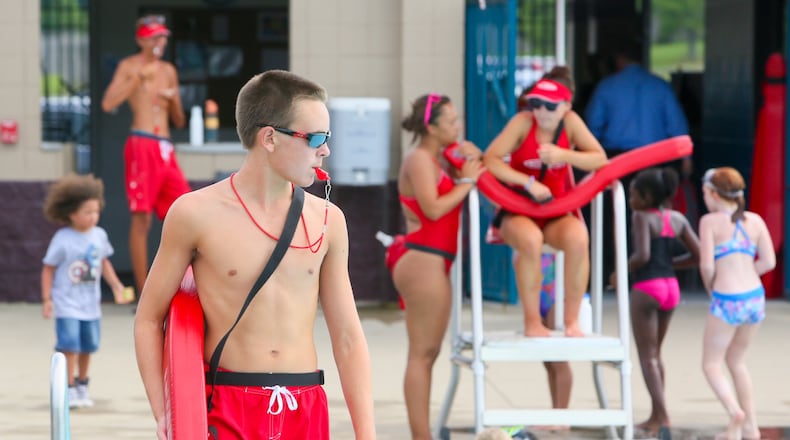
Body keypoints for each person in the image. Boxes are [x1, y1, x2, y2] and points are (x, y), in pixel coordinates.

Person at [133, 70, 375, 439]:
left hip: (305, 406)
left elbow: (347, 336)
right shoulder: (195, 214)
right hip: (227, 406)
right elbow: (149, 320)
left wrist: (366, 433)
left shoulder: (329, 220)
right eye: (316, 138)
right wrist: (166, 413)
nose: (325, 150)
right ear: (270, 138)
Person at [386, 93, 484, 439]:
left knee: (428, 352)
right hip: (422, 259)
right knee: (422, 354)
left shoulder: (438, 160)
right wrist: (467, 183)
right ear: (431, 126)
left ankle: (422, 434)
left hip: (432, 261)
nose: (458, 127)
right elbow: (433, 208)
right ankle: (421, 436)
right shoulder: (419, 160)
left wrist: (465, 162)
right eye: (452, 121)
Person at [483, 66, 608, 338]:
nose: (541, 112)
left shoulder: (571, 123)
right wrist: (527, 182)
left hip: (554, 210)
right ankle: (532, 322)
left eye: (549, 106)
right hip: (517, 210)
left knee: (578, 238)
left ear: (565, 107)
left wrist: (564, 155)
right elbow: (490, 160)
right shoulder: (523, 123)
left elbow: (600, 159)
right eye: (536, 103)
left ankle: (572, 321)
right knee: (530, 241)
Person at [584, 40, 691, 279]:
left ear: (619, 59)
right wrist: (686, 159)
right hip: (656, 161)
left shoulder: (607, 87)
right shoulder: (660, 87)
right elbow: (677, 126)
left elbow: (592, 129)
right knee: (659, 216)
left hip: (618, 161)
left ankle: (617, 268)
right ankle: (656, 270)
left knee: (615, 215)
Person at [101, 14, 191, 293]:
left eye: (163, 36)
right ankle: (143, 291)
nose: (159, 42)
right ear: (141, 39)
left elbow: (178, 120)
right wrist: (138, 78)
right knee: (142, 218)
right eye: (154, 37)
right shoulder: (129, 66)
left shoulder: (168, 70)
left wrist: (172, 99)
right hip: (141, 142)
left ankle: (188, 285)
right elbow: (108, 103)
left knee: (185, 211)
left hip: (165, 145)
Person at [610, 167, 699, 437]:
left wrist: (619, 272)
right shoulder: (678, 218)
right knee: (656, 355)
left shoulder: (641, 217)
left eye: (633, 194)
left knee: (647, 357)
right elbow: (698, 254)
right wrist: (671, 264)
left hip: (647, 287)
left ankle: (663, 418)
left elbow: (643, 255)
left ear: (647, 197)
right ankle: (654, 415)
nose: (630, 200)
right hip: (670, 287)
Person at [41, 173, 132, 409]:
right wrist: (47, 298)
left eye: (96, 211)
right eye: (87, 212)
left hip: (91, 306)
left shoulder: (99, 236)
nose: (93, 217)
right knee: (69, 346)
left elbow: (103, 263)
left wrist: (116, 285)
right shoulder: (62, 238)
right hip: (66, 304)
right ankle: (68, 387)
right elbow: (48, 269)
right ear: (71, 213)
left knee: (88, 346)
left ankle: (83, 384)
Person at [698, 167, 775, 440]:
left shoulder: (709, 222)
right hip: (754, 298)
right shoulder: (755, 221)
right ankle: (751, 427)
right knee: (737, 361)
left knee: (711, 364)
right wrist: (748, 274)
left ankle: (734, 412)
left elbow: (707, 265)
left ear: (713, 194)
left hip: (727, 298)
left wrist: (712, 288)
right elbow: (769, 261)